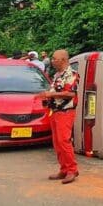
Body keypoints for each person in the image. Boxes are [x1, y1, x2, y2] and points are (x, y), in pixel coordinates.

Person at [36, 49, 80, 184]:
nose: (52, 60)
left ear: (64, 60)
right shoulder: (57, 75)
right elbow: (55, 91)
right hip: (55, 112)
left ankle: (72, 170)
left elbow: (70, 94)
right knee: (57, 143)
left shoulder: (71, 74)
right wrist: (46, 96)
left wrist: (50, 95)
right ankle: (64, 169)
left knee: (63, 141)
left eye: (55, 58)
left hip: (65, 112)